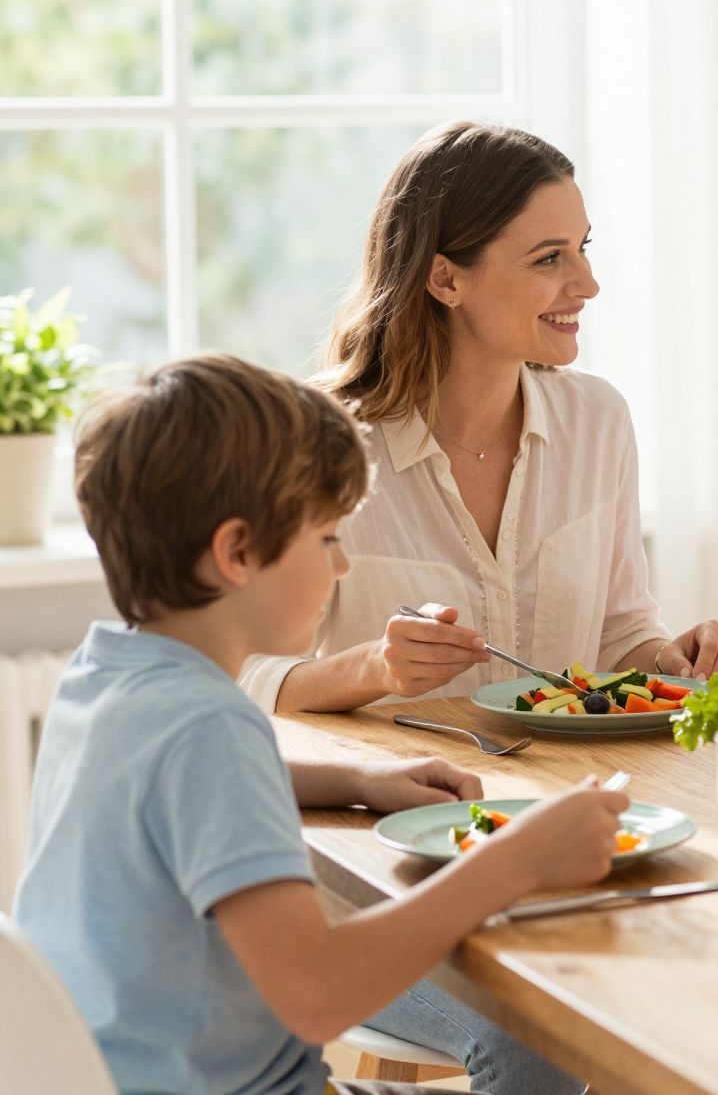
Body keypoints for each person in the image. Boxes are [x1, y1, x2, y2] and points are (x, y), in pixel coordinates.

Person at [14, 355, 625, 1094]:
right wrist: (518, 860)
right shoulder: (211, 727)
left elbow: (175, 792)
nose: (341, 569)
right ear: (237, 553)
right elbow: (317, 994)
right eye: (330, 539)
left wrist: (357, 779)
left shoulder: (106, 677)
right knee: (541, 1036)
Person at [240, 121, 718, 718]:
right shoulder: (311, 443)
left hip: (569, 797)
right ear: (446, 278)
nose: (588, 284)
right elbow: (243, 672)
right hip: (401, 802)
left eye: (582, 248)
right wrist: (375, 667)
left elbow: (617, 631)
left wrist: (667, 662)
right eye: (548, 259)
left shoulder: (597, 421)